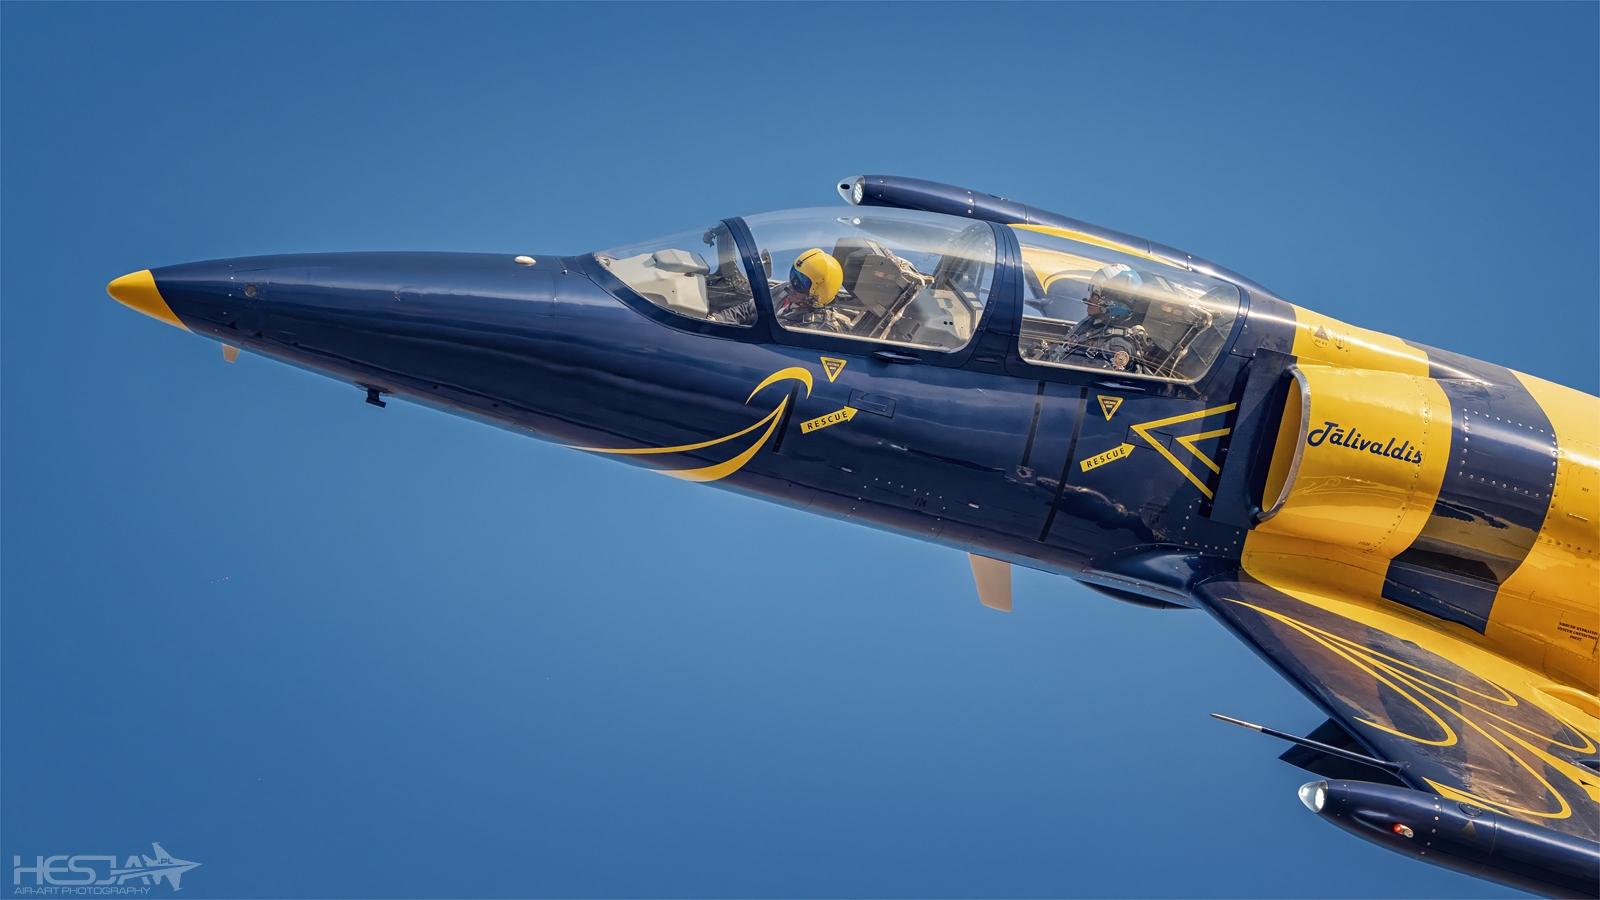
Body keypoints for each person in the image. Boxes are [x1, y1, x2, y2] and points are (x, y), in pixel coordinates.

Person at [1042, 263, 1152, 373]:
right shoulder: (1092, 323)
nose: (1089, 299)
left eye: (1095, 296)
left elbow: (1085, 380)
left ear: (1112, 303)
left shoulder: (1116, 347)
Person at [711, 248, 846, 332]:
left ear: (816, 294)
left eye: (801, 282)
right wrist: (717, 320)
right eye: (794, 275)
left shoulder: (814, 329)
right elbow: (748, 309)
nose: (792, 283)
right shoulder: (783, 291)